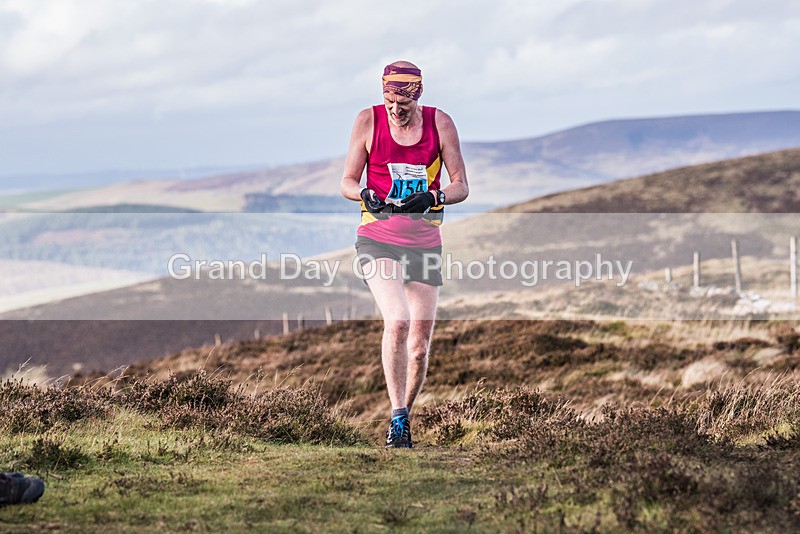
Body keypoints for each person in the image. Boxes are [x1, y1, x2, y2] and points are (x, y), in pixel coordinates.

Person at [340, 60, 469, 448]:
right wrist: (364, 194)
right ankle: (398, 418)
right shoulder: (368, 121)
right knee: (397, 320)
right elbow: (347, 181)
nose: (396, 110)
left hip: (424, 242)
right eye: (390, 103)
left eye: (404, 105)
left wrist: (433, 196)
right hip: (377, 237)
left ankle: (402, 416)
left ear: (418, 97)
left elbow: (461, 186)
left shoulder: (440, 123)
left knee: (418, 348)